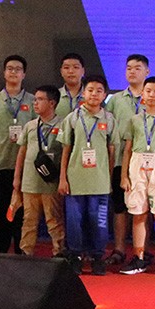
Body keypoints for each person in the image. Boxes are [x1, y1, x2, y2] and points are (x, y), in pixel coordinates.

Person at [57, 75, 117, 276]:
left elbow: (111, 151)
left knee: (98, 221)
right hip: (75, 181)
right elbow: (66, 150)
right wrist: (63, 178)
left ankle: (97, 257)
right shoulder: (72, 118)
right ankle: (75, 256)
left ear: (105, 95)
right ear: (83, 93)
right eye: (90, 90)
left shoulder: (109, 119)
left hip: (100, 183)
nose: (94, 94)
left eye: (99, 90)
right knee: (74, 221)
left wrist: (108, 178)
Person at [119, 77, 155, 275]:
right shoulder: (135, 120)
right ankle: (139, 257)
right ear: (142, 94)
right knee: (139, 213)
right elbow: (127, 150)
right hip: (138, 163)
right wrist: (124, 176)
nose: (152, 95)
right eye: (148, 91)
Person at [104, 54, 155, 266]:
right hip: (121, 160)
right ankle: (119, 249)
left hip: (148, 164)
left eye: (137, 68)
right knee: (120, 206)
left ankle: (143, 250)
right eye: (128, 68)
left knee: (146, 207)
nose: (132, 71)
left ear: (147, 71)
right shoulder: (115, 100)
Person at [0, 55, 35, 254]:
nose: (13, 72)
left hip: (25, 166)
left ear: (24, 74)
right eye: (10, 68)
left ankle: (22, 248)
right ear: (4, 73)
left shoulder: (33, 100)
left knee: (23, 210)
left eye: (18, 69)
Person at [12, 85, 66, 257]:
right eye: (35, 99)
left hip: (51, 183)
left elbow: (66, 152)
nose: (35, 103)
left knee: (54, 220)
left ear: (52, 103)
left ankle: (59, 253)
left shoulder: (63, 124)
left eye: (40, 99)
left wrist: (63, 179)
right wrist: (17, 178)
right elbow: (21, 152)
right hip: (29, 182)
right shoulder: (30, 125)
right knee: (28, 220)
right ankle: (26, 252)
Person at [55, 53, 86, 118]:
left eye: (76, 67)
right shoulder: (54, 96)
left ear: (83, 71)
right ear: (61, 72)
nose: (71, 71)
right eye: (66, 68)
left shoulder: (92, 97)